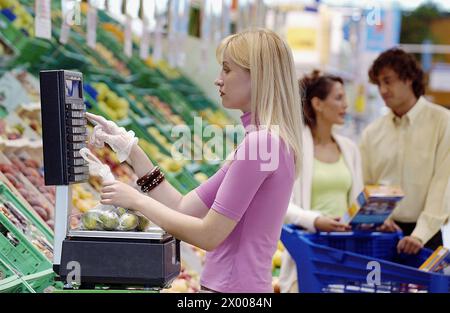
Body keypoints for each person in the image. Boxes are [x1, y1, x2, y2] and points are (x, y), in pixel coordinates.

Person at [86, 28, 303, 293]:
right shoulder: (269, 140)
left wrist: (136, 200)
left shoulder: (261, 144)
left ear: (258, 77)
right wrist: (131, 150)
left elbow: (208, 235)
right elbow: (182, 208)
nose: (218, 80)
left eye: (227, 70)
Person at [279, 70, 364, 293]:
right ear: (317, 103)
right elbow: (281, 205)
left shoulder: (350, 149)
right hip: (307, 252)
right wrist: (315, 220)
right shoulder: (294, 148)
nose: (346, 105)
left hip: (343, 254)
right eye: (338, 98)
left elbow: (357, 202)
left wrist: (374, 217)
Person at [360, 48, 450, 254]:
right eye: (379, 84)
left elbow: (443, 185)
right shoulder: (372, 132)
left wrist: (419, 235)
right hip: (381, 233)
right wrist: (380, 219)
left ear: (408, 78)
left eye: (388, 81)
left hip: (426, 237)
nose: (382, 90)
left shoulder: (443, 123)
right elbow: (366, 184)